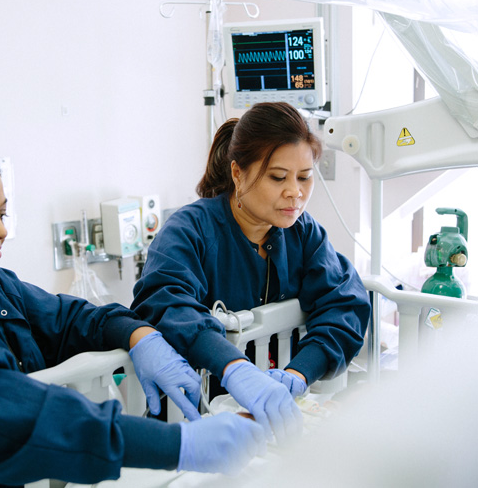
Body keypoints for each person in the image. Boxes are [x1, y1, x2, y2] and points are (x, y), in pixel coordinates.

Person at [0, 142, 266, 488]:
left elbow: (72, 319)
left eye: (2, 213)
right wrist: (177, 444)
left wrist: (141, 337)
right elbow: (10, 408)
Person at [132, 102, 371, 443]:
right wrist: (235, 368)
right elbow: (166, 302)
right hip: (192, 419)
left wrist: (299, 373)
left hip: (270, 422)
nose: (296, 192)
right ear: (238, 173)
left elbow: (344, 303)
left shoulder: (303, 234)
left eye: (304, 177)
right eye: (278, 177)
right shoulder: (190, 231)